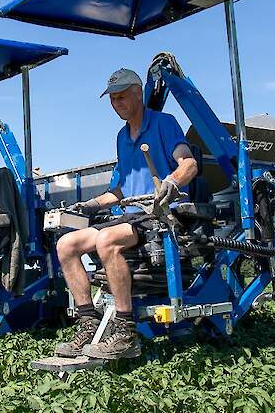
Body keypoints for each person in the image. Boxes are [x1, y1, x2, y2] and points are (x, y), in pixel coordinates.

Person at [54, 69, 198, 360]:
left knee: (107, 239)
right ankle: (87, 322)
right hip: (130, 216)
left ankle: (125, 331)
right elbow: (118, 191)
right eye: (112, 99)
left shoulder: (163, 124)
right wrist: (89, 206)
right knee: (66, 245)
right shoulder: (121, 137)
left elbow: (189, 164)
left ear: (138, 94)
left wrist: (171, 181)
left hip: (158, 215)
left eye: (121, 96)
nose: (116, 103)